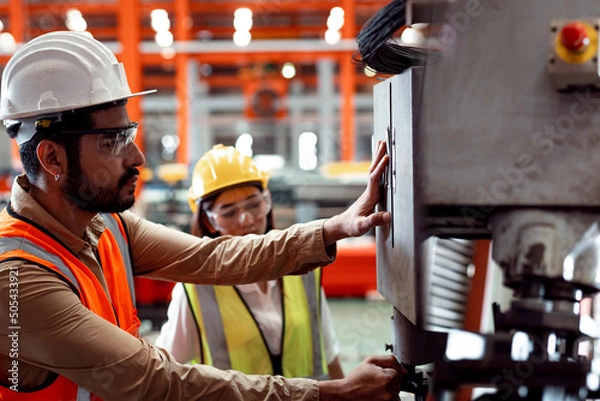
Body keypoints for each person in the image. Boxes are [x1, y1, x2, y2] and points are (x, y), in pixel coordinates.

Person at [0, 31, 403, 401]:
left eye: (130, 135)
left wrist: (338, 226)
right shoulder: (17, 278)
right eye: (112, 141)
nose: (136, 157)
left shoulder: (106, 227)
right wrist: (330, 394)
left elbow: (213, 257)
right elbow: (157, 380)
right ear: (52, 157)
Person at [155, 144, 345, 380]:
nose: (247, 220)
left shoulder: (305, 272)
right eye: (229, 212)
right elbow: (164, 377)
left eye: (254, 205)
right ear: (209, 221)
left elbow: (330, 356)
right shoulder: (194, 291)